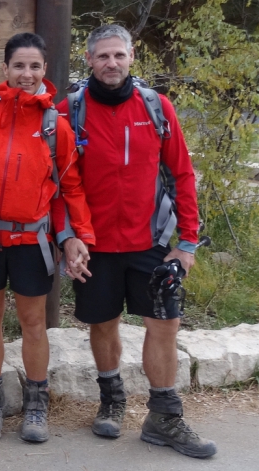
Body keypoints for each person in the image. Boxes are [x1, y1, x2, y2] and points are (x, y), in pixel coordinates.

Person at [55, 24, 216, 458]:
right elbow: (53, 182)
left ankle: (164, 416)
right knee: (103, 324)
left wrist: (188, 243)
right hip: (95, 244)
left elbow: (182, 174)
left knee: (164, 324)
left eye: (119, 56)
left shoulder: (156, 106)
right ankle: (112, 400)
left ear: (131, 57)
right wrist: (68, 238)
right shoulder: (69, 110)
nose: (111, 63)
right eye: (103, 56)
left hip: (153, 242)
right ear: (88, 59)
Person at [0, 32, 94, 443]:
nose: (27, 74)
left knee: (33, 324)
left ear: (45, 71)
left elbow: (70, 188)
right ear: (5, 69)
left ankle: (36, 405)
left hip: (32, 242)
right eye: (19, 66)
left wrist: (81, 237)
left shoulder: (54, 126)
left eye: (35, 66)